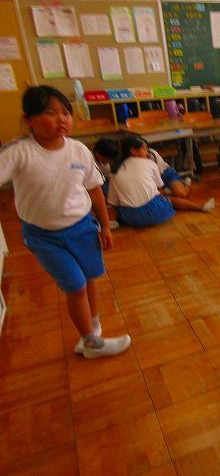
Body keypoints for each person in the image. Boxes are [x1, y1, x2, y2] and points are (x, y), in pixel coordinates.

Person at [0, 85, 131, 358]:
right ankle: (91, 343)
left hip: (83, 228)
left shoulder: (78, 150)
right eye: (51, 113)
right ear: (29, 120)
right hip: (44, 237)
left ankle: (93, 327)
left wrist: (105, 226)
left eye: (66, 113)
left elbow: (95, 189)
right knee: (76, 285)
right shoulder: (19, 151)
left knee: (90, 279)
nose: (62, 119)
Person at [107, 136, 215, 227]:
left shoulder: (114, 172)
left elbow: (112, 202)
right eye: (144, 149)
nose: (147, 153)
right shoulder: (149, 163)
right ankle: (199, 206)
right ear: (133, 151)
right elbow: (159, 188)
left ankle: (114, 222)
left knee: (118, 206)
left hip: (132, 218)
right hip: (158, 211)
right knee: (168, 199)